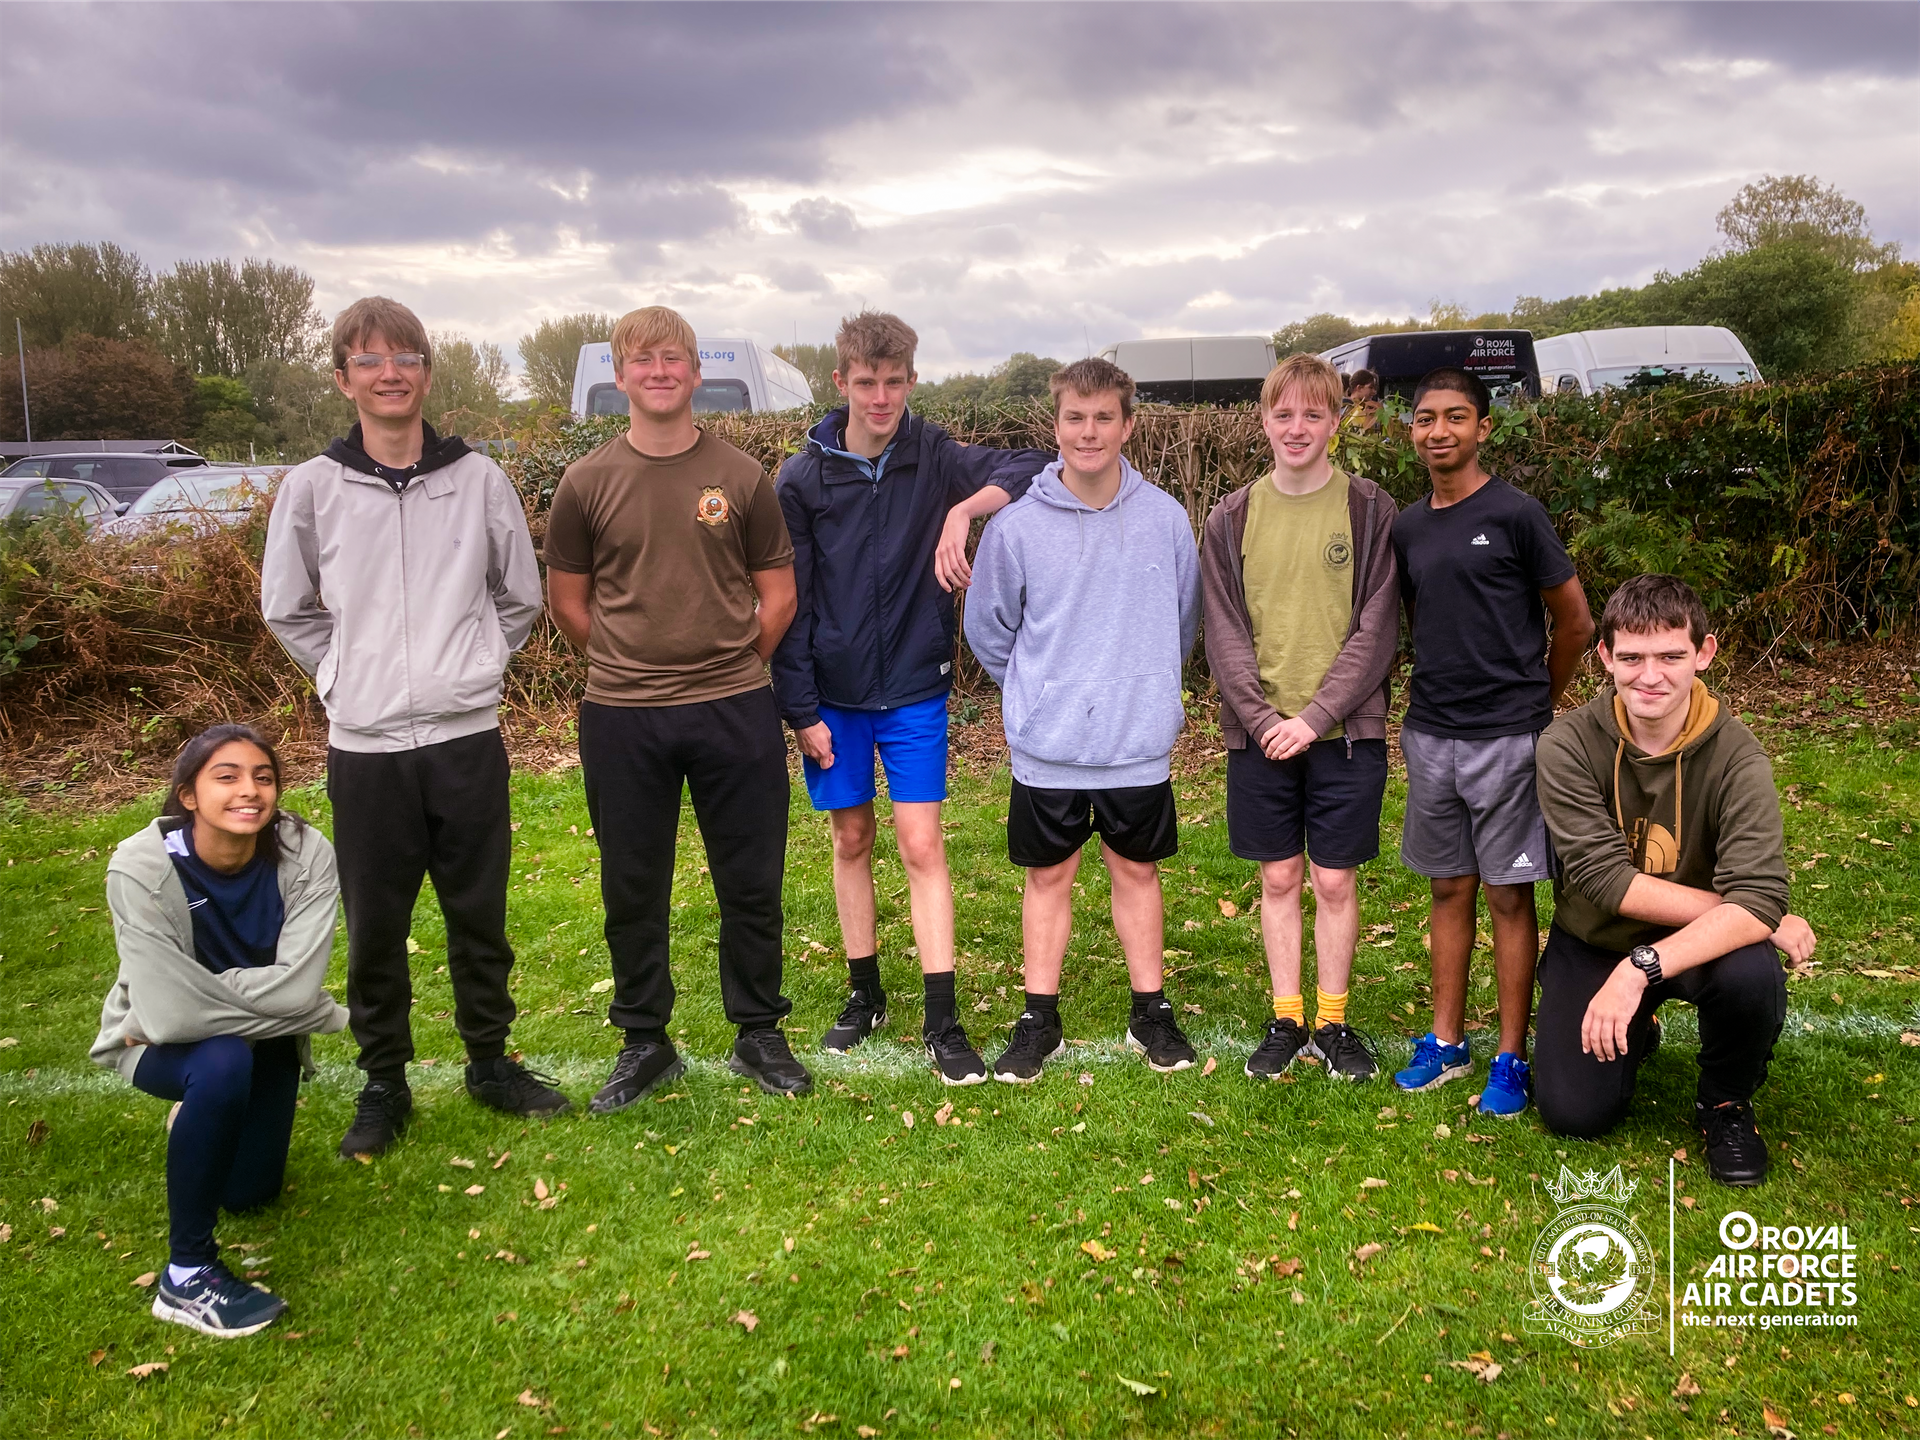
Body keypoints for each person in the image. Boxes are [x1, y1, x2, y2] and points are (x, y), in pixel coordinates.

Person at [262, 297, 559, 1160]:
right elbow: (288, 607)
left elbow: (521, 595)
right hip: (368, 749)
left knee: (479, 912)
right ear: (344, 376)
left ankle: (490, 1062)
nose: (389, 372)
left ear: (427, 373)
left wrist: (473, 667)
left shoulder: (478, 480)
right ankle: (385, 1079)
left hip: (466, 739)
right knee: (377, 921)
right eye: (369, 359)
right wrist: (341, 675)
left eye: (405, 356)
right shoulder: (314, 489)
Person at [772, 311, 1049, 1084]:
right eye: (868, 382)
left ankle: (942, 1016)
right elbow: (788, 605)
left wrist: (964, 509)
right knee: (851, 840)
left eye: (895, 381)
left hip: (917, 692)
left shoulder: (933, 455)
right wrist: (800, 712)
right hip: (835, 699)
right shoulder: (801, 478)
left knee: (922, 845)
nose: (882, 396)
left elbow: (1031, 464)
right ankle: (865, 996)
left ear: (911, 381)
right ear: (842, 382)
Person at [544, 304, 810, 1108]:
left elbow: (779, 594)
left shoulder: (740, 476)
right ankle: (644, 1040)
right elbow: (568, 603)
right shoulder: (586, 481)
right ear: (621, 376)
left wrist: (731, 665)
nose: (660, 372)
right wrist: (633, 668)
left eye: (674, 359)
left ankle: (758, 1031)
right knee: (633, 882)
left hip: (735, 707)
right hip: (624, 713)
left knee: (751, 878)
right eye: (643, 359)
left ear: (695, 375)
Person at [964, 357, 1202, 1083]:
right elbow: (988, 627)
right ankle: (1039, 1018)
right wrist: (1039, 690)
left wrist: (1146, 688)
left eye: (1104, 417)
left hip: (1135, 741)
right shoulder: (1016, 526)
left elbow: (1182, 623)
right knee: (1050, 877)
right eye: (1075, 417)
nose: (1089, 431)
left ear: (1128, 424)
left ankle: (1150, 1014)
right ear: (1057, 424)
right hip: (1051, 745)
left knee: (1136, 871)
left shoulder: (1164, 518)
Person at [1532, 575, 1814, 1185]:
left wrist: (1644, 967)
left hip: (1690, 951)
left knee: (1750, 969)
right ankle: (1638, 1025)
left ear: (1704, 654)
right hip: (1596, 939)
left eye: (1670, 656)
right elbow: (1604, 880)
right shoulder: (1566, 745)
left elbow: (1758, 897)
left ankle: (1725, 1104)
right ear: (1604, 656)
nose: (1649, 675)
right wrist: (1758, 913)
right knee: (1574, 1112)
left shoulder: (1739, 757)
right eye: (1630, 657)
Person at [92, 725, 348, 1337]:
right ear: (188, 795)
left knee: (250, 1194)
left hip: (265, 1038)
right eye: (226, 776)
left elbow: (295, 987)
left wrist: (295, 1004)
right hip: (151, 1042)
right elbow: (172, 1017)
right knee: (222, 1061)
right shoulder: (140, 868)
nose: (249, 790)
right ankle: (186, 1276)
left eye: (263, 777)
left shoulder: (306, 853)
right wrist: (310, 1012)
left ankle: (202, 1118)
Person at [1388, 366, 1595, 1116]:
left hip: (1508, 740)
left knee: (1509, 895)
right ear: (1410, 430)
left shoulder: (1516, 514)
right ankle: (1446, 1043)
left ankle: (1511, 1056)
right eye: (1423, 418)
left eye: (1454, 416)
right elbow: (1419, 617)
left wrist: (1542, 696)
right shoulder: (1407, 526)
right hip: (1431, 735)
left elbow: (1575, 622)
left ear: (1483, 427)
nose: (1438, 430)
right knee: (1448, 888)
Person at [1201, 354, 1400, 1082]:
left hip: (1344, 735)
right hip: (1261, 735)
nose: (1297, 427)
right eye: (1283, 414)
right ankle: (1287, 1017)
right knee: (1280, 879)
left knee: (1335, 882)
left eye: (1313, 414)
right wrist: (1260, 719)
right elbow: (1221, 630)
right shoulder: (1230, 515)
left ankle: (1334, 1021)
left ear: (1335, 422)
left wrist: (1314, 718)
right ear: (1263, 420)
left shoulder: (1371, 509)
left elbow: (1377, 630)